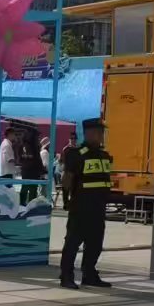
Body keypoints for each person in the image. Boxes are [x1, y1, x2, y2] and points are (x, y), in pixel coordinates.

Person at [59, 117, 113, 289]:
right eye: (99, 132)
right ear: (89, 133)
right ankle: (66, 276)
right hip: (81, 207)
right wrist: (67, 200)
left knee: (95, 243)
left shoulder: (104, 156)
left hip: (98, 207)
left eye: (102, 132)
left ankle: (89, 274)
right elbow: (67, 181)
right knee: (73, 243)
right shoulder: (75, 154)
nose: (102, 135)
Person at [18, 127, 46, 205]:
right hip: (33, 171)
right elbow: (38, 159)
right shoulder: (34, 146)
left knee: (24, 187)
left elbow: (19, 159)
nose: (38, 138)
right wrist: (42, 170)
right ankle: (31, 206)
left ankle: (22, 204)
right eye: (37, 136)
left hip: (24, 170)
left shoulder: (21, 145)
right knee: (33, 189)